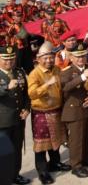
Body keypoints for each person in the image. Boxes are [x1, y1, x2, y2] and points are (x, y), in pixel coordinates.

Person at [27, 41, 70, 184]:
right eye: (45, 58)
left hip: (56, 110)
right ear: (38, 59)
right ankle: (42, 171)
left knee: (56, 140)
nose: (48, 60)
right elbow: (32, 94)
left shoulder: (57, 69)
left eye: (51, 57)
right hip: (41, 113)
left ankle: (55, 163)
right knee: (41, 145)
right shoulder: (35, 74)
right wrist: (46, 85)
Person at [60, 43, 88, 178]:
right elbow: (65, 87)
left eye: (82, 55)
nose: (81, 59)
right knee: (76, 139)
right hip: (74, 109)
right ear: (71, 57)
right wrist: (82, 78)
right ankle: (76, 165)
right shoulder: (66, 72)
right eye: (77, 56)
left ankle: (86, 159)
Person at [0, 45, 31, 185]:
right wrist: (6, 88)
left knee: (17, 149)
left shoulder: (19, 72)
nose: (9, 62)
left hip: (19, 119)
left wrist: (26, 108)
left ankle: (15, 175)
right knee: (4, 151)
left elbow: (26, 94)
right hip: (3, 121)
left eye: (12, 58)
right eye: (5, 59)